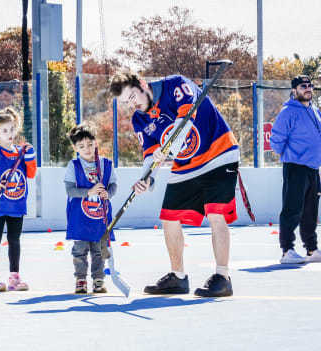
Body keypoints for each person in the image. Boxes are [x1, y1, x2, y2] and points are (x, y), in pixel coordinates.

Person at [110, 71, 240, 297]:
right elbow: (150, 155)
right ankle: (178, 277)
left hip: (219, 152)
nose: (133, 105)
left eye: (132, 97)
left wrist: (167, 149)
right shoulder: (139, 119)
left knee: (215, 213)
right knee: (169, 217)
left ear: (142, 84)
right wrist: (146, 178)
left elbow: (185, 122)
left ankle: (222, 276)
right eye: (126, 102)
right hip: (186, 165)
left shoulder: (176, 85)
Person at [270, 75, 321, 264]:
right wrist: (292, 156)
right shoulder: (287, 112)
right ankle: (287, 251)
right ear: (294, 90)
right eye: (302, 86)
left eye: (309, 86)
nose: (307, 88)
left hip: (313, 169)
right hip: (296, 167)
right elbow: (276, 142)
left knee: (310, 211)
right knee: (292, 210)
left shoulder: (315, 110)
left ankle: (312, 249)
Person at [0, 108, 36, 292]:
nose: (9, 134)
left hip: (16, 204)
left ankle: (14, 278)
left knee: (14, 240)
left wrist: (30, 155)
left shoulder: (20, 152)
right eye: (4, 130)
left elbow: (31, 173)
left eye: (11, 129)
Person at [64, 123, 117, 294]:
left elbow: (113, 184)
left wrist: (109, 193)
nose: (86, 149)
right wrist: (89, 191)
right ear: (75, 147)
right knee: (80, 249)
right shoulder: (74, 166)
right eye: (81, 146)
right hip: (80, 217)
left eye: (90, 144)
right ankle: (80, 280)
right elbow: (70, 190)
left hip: (100, 217)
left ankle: (99, 279)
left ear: (96, 143)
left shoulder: (106, 164)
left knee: (99, 250)